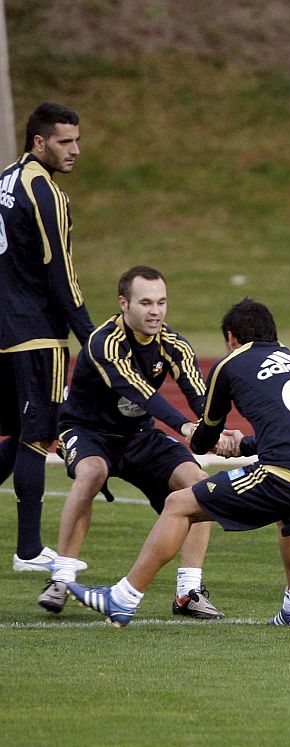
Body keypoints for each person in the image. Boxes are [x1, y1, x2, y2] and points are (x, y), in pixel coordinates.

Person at [69, 299, 290, 627]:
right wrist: (242, 445)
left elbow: (204, 436)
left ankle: (122, 598)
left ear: (231, 338)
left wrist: (209, 440)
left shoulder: (228, 365)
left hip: (287, 474)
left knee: (179, 503)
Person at [38, 266, 224, 619]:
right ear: (124, 304)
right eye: (146, 303)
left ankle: (188, 591)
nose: (155, 311)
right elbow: (139, 392)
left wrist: (214, 430)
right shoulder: (104, 341)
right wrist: (186, 427)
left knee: (199, 485)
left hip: (139, 436)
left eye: (161, 302)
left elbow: (200, 397)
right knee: (92, 472)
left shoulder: (174, 344)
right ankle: (61, 578)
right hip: (86, 430)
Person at [0, 102, 95, 573]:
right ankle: (30, 551)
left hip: (3, 328)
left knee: (15, 433)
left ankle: (28, 547)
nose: (75, 150)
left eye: (76, 139)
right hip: (36, 333)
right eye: (64, 141)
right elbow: (62, 274)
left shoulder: (5, 180)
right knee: (38, 437)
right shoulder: (48, 193)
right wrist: (93, 341)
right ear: (39, 142)